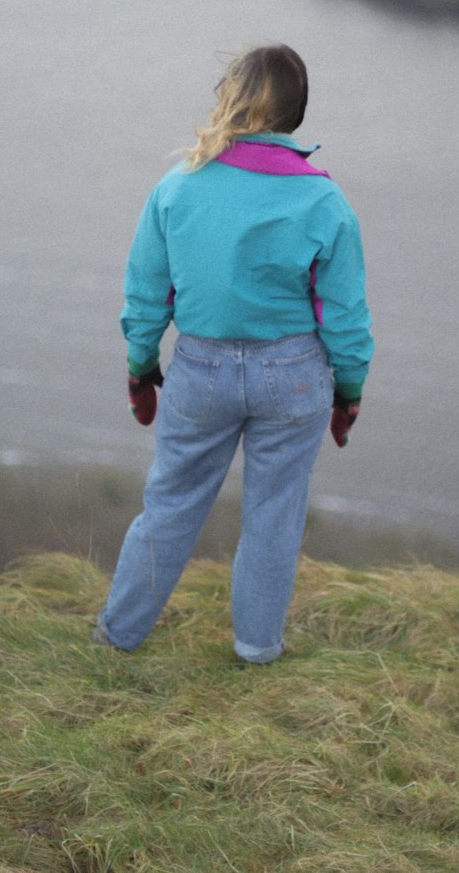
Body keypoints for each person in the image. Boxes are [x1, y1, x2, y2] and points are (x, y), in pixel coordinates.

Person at [93, 45, 373, 664]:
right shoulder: (325, 203)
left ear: (230, 99)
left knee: (169, 506)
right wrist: (348, 393)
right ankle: (255, 650)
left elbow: (147, 296)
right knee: (274, 517)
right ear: (295, 115)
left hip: (201, 372)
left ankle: (118, 637)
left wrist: (142, 368)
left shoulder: (178, 187)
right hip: (295, 379)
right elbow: (345, 319)